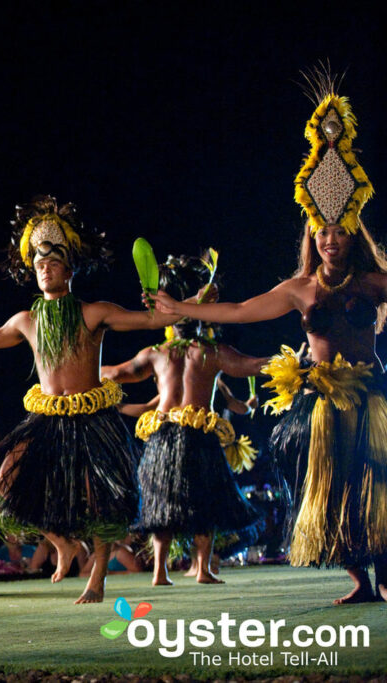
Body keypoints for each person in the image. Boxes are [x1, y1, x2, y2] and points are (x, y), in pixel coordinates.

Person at [152, 75, 386, 604]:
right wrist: (180, 308)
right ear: (312, 235)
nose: (330, 240)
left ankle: (385, 576)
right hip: (321, 402)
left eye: (339, 230)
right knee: (328, 490)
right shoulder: (300, 289)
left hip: (371, 396)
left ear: (353, 231)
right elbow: (237, 310)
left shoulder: (374, 283)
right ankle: (359, 581)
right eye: (321, 231)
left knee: (376, 482)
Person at [0, 196, 183, 603]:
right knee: (8, 477)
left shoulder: (94, 312)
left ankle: (97, 579)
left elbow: (151, 320)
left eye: (52, 263)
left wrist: (173, 307)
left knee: (99, 500)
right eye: (38, 264)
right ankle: (60, 543)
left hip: (91, 417)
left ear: (70, 268)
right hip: (47, 417)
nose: (44, 269)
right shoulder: (26, 320)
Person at [103, 255, 265, 586]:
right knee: (195, 504)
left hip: (169, 437)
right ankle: (197, 570)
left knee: (171, 505)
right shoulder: (205, 351)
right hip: (190, 436)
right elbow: (250, 364)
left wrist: (81, 374)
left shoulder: (160, 353)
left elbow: (115, 373)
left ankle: (164, 572)